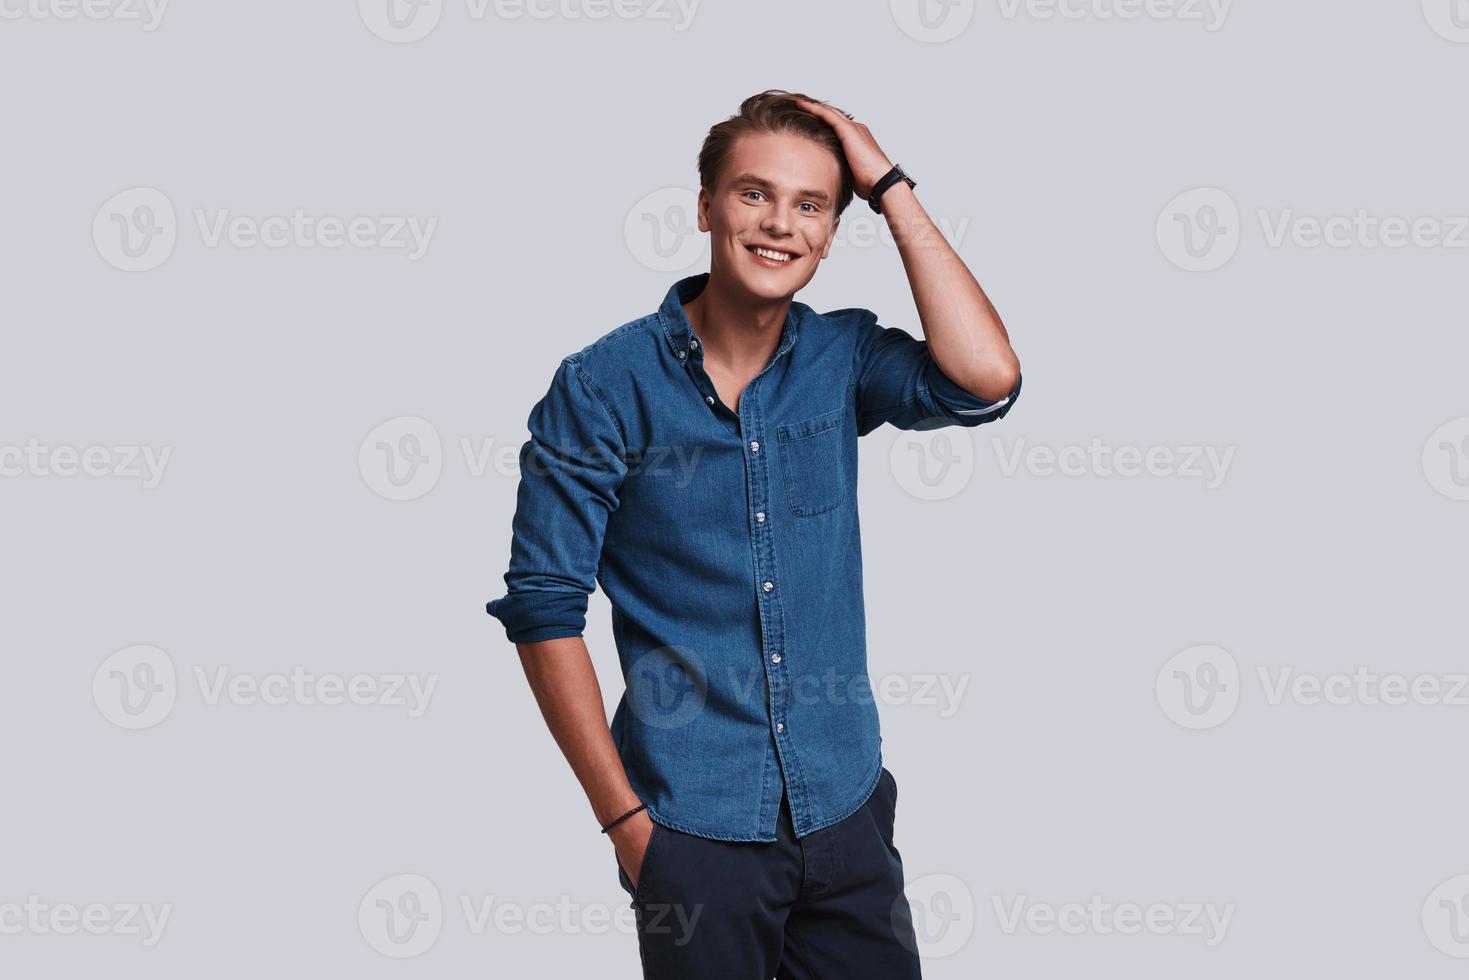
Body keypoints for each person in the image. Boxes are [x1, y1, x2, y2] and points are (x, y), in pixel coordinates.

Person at [485, 89, 1022, 979]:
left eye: (810, 204)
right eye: (753, 194)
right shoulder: (601, 387)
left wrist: (885, 181)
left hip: (843, 812)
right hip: (692, 831)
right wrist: (628, 829)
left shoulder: (842, 358)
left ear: (831, 228)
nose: (780, 224)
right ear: (704, 206)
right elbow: (544, 612)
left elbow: (986, 380)